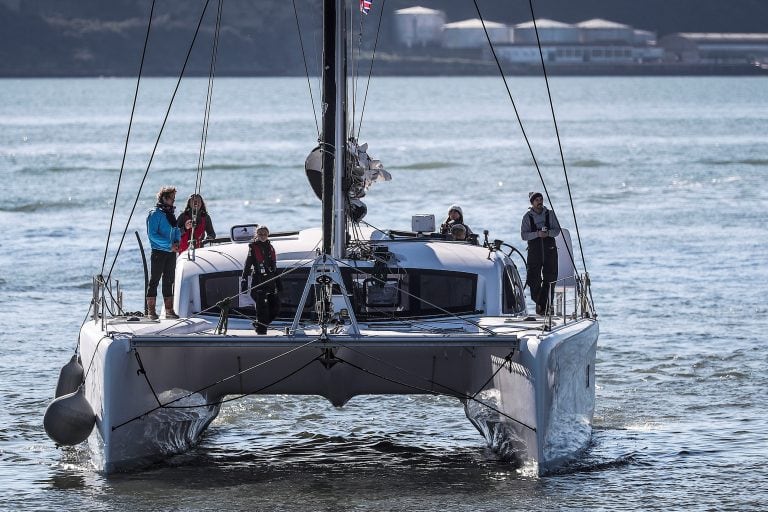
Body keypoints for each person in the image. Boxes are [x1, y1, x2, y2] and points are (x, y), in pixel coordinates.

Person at [520, 191, 561, 315]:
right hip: (534, 252)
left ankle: (546, 307)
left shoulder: (550, 214)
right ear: (532, 203)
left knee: (550, 279)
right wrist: (537, 234)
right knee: (533, 280)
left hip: (550, 251)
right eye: (537, 200)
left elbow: (557, 230)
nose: (540, 202)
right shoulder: (527, 217)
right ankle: (542, 304)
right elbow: (524, 235)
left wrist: (547, 233)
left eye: (541, 199)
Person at [146, 185, 182, 320]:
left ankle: (169, 311)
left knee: (169, 281)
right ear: (164, 198)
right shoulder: (154, 214)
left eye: (174, 199)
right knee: (154, 280)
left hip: (171, 252)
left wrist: (177, 242)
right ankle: (151, 311)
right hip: (158, 252)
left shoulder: (170, 213)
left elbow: (176, 229)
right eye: (172, 199)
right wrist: (169, 245)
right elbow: (152, 235)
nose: (173, 201)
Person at [241, 226, 281, 334]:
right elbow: (247, 265)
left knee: (276, 307)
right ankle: (261, 331)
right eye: (260, 234)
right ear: (257, 235)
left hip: (270, 282)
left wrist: (278, 282)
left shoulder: (271, 248)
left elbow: (274, 267)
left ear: (268, 235)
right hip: (258, 282)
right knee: (262, 310)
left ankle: (260, 324)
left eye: (265, 234)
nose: (263, 236)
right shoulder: (253, 248)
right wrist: (244, 281)